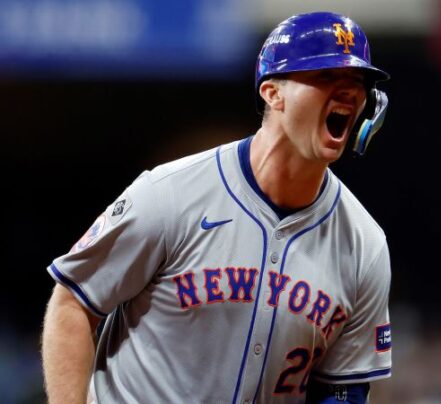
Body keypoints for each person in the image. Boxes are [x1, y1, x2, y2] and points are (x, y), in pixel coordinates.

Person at [41, 11, 393, 404]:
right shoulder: (171, 194)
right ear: (273, 93)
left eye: (358, 81)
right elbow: (72, 302)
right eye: (326, 76)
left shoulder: (364, 244)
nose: (348, 92)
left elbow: (341, 389)